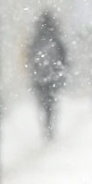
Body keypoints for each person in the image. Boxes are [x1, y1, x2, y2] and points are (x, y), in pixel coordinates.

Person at [28, 10, 67, 140]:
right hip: (52, 77)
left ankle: (46, 125)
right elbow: (64, 56)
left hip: (39, 77)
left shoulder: (37, 37)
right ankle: (49, 125)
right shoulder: (55, 37)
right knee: (51, 102)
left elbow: (30, 55)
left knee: (44, 102)